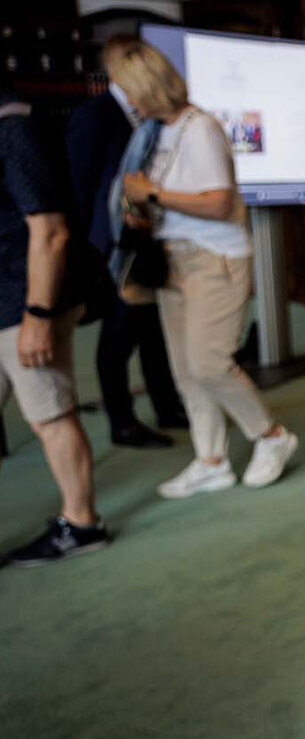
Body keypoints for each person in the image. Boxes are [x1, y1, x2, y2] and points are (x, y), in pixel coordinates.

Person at [107, 39, 299, 498]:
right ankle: (211, 460)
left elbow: (218, 202)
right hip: (172, 258)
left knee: (210, 362)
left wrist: (151, 194)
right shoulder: (156, 132)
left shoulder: (201, 128)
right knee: (186, 371)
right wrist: (140, 208)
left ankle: (271, 436)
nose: (127, 101)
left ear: (149, 87)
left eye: (129, 91)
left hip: (216, 259)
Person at [0, 86, 111, 566]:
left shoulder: (13, 125)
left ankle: (82, 525)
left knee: (50, 415)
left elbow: (51, 232)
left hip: (23, 301)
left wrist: (38, 317)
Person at [68, 35, 185, 450]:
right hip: (112, 248)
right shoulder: (94, 116)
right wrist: (89, 253)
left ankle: (167, 406)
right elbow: (79, 189)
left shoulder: (148, 117)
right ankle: (122, 421)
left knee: (153, 330)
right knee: (117, 338)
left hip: (146, 241)